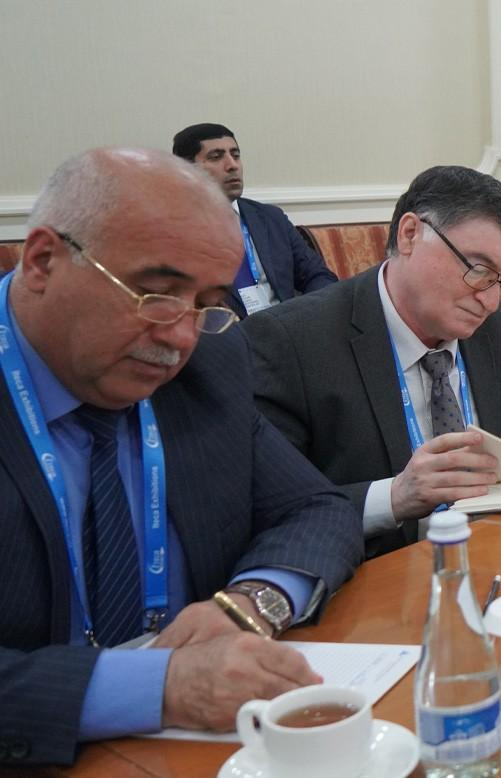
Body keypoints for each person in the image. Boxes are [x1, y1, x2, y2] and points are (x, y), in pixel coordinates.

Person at [0, 148, 363, 767]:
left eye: (205, 304)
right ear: (42, 261)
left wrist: (253, 602)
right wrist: (159, 687)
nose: (180, 336)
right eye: (156, 294)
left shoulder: (207, 366)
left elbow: (316, 509)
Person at [241, 165, 501, 556]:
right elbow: (267, 506)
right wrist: (395, 497)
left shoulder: (500, 329)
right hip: (372, 573)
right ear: (410, 234)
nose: (489, 300)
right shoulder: (291, 342)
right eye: (479, 270)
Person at [172, 123, 337, 319]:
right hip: (229, 332)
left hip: (288, 326)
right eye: (216, 157)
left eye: (236, 155)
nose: (232, 165)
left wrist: (302, 317)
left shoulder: (270, 218)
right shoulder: (175, 231)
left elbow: (318, 276)